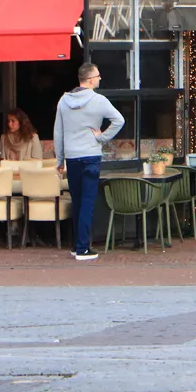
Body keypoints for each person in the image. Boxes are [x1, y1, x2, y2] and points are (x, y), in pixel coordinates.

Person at [54, 62, 125, 260]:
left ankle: (77, 245)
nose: (100, 78)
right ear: (90, 79)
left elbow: (58, 132)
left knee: (77, 201)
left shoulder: (63, 101)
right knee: (87, 202)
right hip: (90, 155)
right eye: (98, 76)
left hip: (72, 156)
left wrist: (60, 159)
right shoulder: (98, 100)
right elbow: (119, 120)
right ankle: (84, 249)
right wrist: (102, 137)